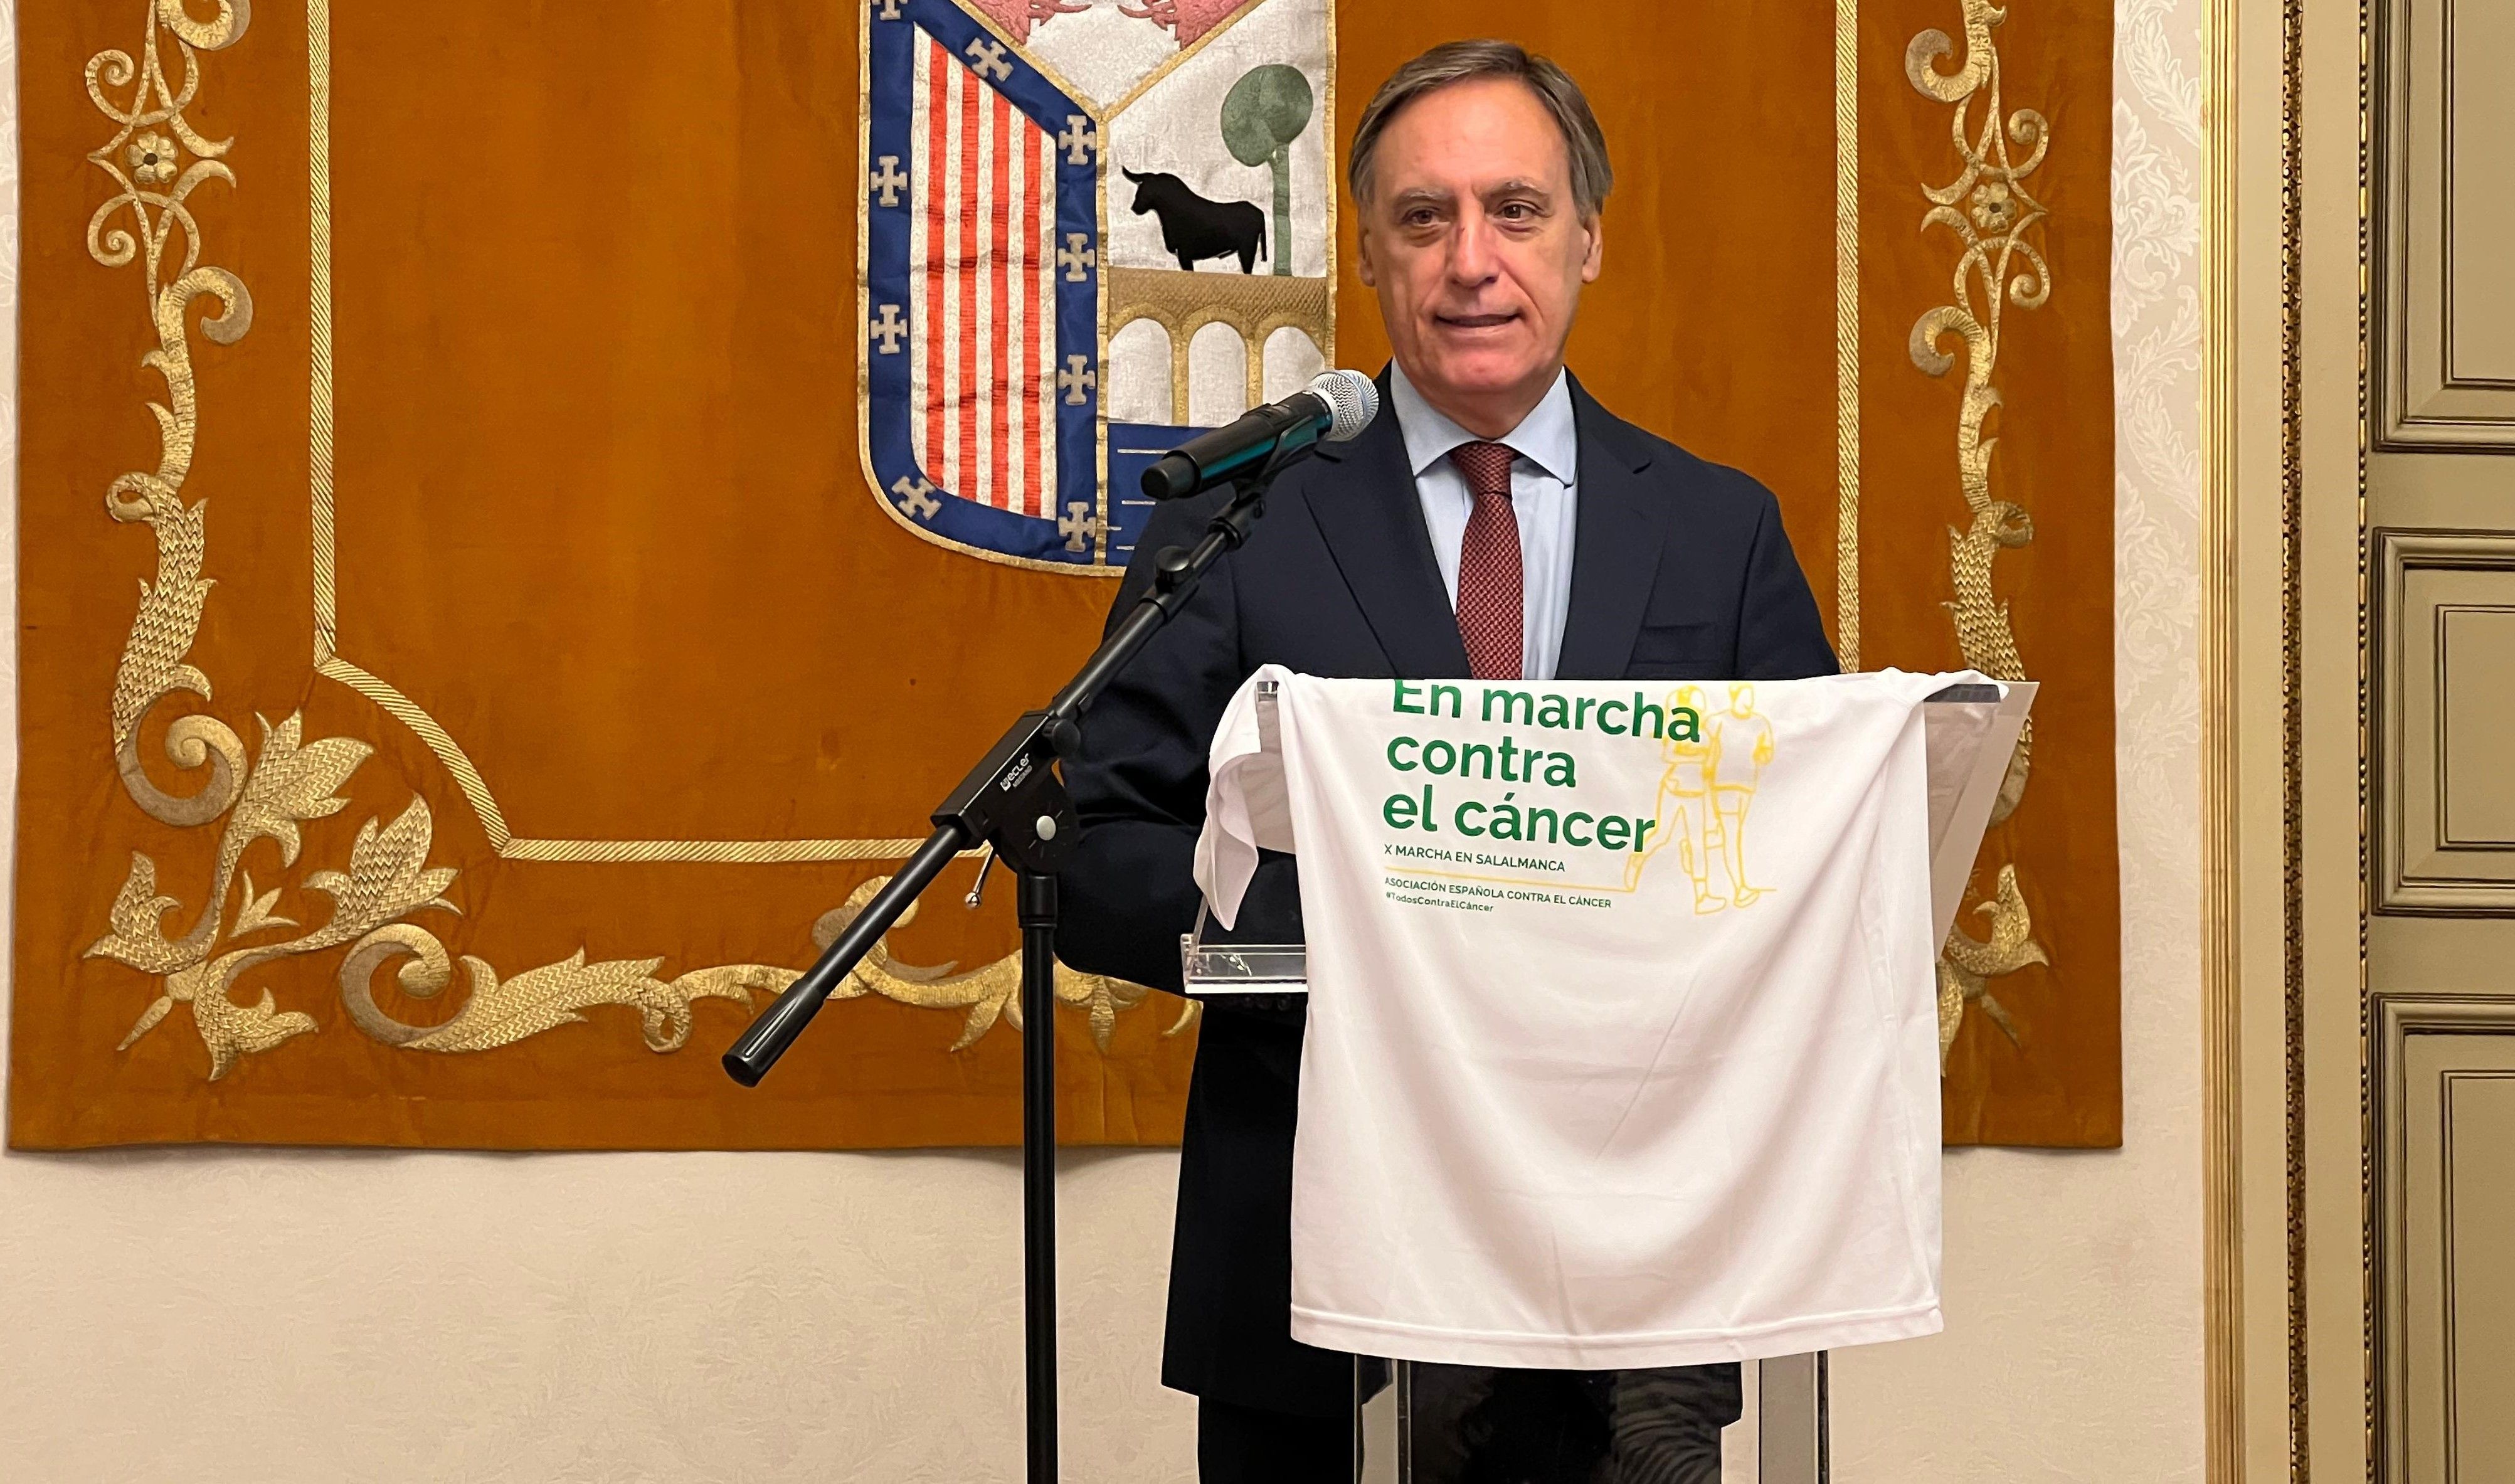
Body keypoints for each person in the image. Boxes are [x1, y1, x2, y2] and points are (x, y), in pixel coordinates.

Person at [1054, 39, 1838, 1483]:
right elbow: (1098, 845)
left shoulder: (1720, 536)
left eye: (1516, 211)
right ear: (1368, 254)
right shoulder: (1239, 521)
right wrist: (1328, 925)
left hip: (1638, 1274)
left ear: (1588, 240)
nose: (1471, 259)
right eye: (1426, 218)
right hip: (1309, 1283)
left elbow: (1816, 858)